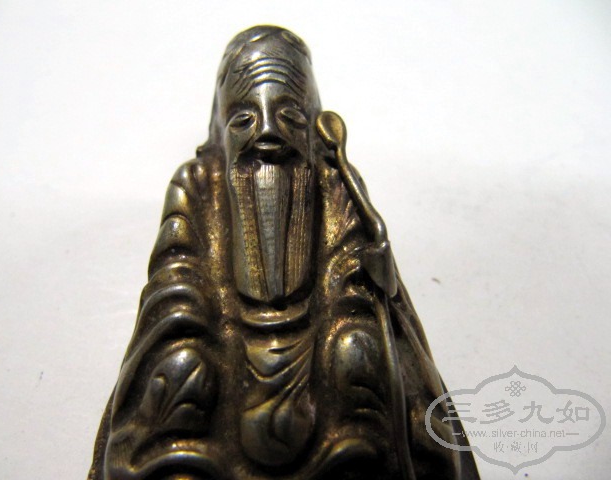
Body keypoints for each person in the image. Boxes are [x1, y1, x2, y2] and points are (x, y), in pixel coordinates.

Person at [89, 26, 480, 480]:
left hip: (316, 343)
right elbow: (175, 274)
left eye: (289, 116)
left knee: (359, 352)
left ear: (313, 123)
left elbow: (353, 270)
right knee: (180, 367)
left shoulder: (336, 180)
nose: (268, 132)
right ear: (220, 128)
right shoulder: (195, 183)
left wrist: (362, 279)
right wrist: (194, 319)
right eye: (244, 120)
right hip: (223, 341)